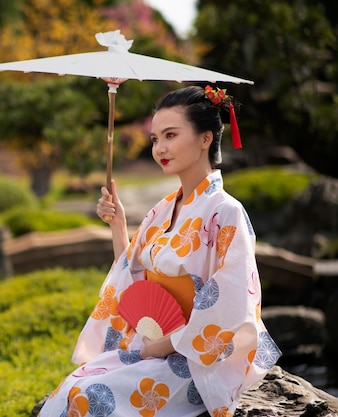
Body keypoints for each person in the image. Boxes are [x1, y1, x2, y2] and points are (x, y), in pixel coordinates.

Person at [36, 85, 281, 417]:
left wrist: (165, 345)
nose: (160, 148)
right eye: (154, 139)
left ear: (205, 138)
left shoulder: (226, 211)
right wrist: (119, 225)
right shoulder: (164, 209)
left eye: (170, 135)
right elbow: (135, 277)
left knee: (91, 397)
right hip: (153, 344)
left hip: (194, 357)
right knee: (72, 389)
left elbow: (231, 303)